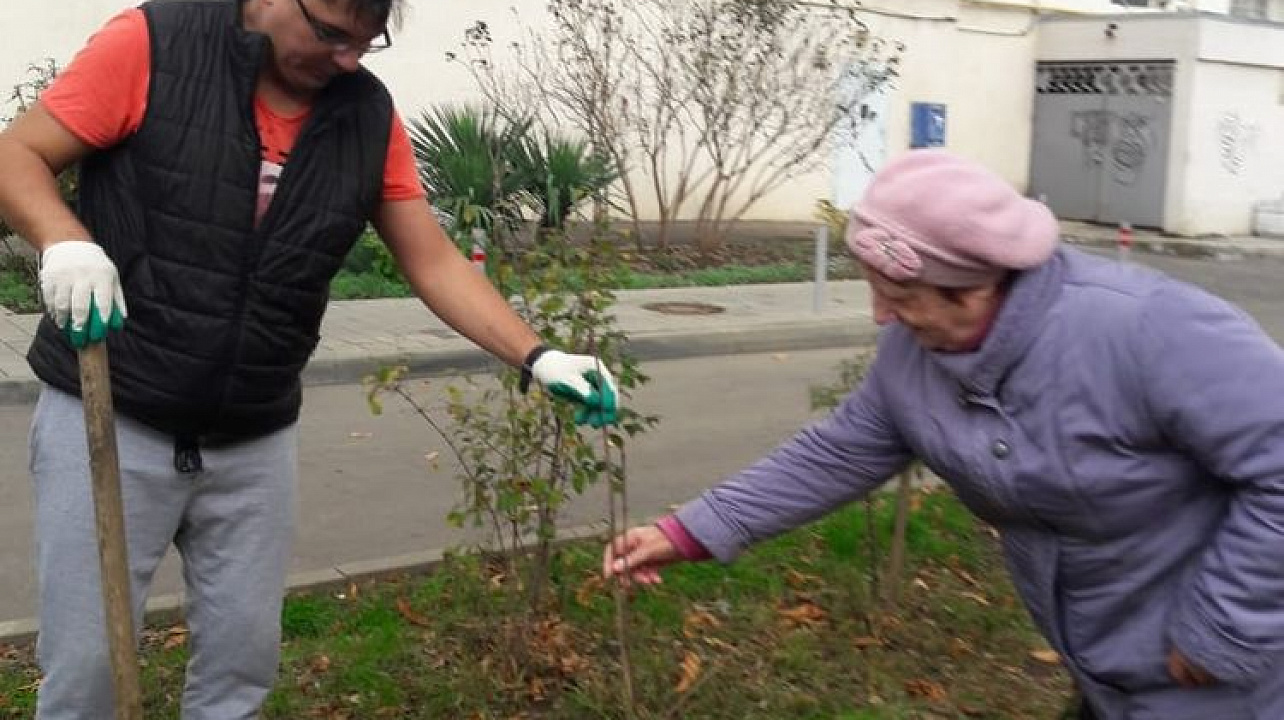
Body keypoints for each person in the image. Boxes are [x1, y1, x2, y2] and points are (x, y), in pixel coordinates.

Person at [0, 0, 618, 717]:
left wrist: (537, 355)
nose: (348, 59)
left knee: (240, 667)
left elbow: (433, 259)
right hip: (112, 417)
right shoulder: (153, 43)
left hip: (255, 437)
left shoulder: (365, 114)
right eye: (329, 34)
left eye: (367, 41)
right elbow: (17, 155)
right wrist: (63, 240)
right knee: (87, 671)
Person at [604, 149, 1284, 720]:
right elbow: (837, 450)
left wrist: (1222, 629)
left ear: (972, 290)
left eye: (899, 299)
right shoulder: (915, 356)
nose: (880, 318)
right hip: (1108, 663)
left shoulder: (1149, 330)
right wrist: (685, 532)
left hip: (1232, 672)